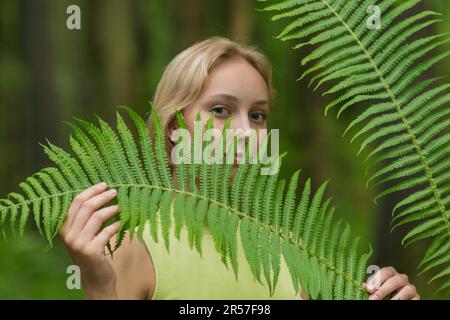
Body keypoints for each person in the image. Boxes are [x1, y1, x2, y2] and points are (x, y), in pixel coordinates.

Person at [59, 37, 420, 300]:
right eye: (220, 111)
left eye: (258, 115)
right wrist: (99, 286)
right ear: (173, 128)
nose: (247, 133)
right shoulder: (131, 246)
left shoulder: (289, 248)